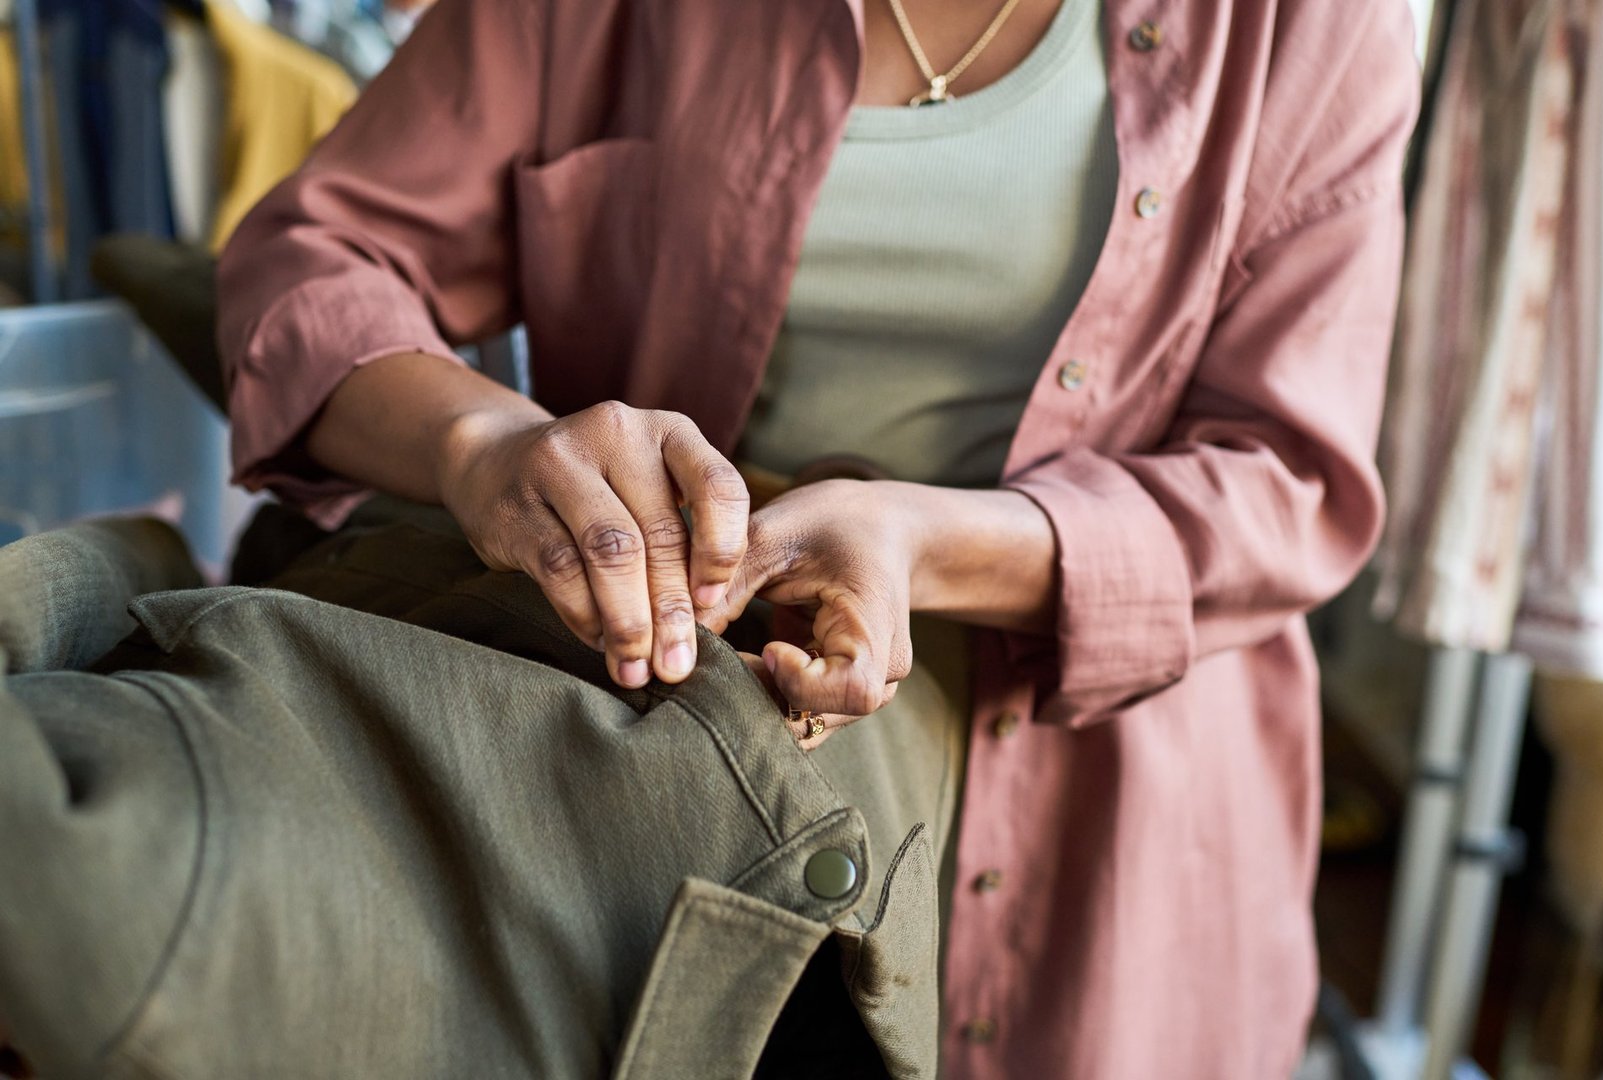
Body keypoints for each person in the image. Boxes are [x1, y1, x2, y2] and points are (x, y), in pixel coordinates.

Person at [214, 0, 1420, 1075]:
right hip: (644, 792)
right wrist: (485, 444)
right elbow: (310, 268)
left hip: (1105, 848)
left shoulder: (1304, 27)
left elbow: (1289, 485)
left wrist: (920, 542)